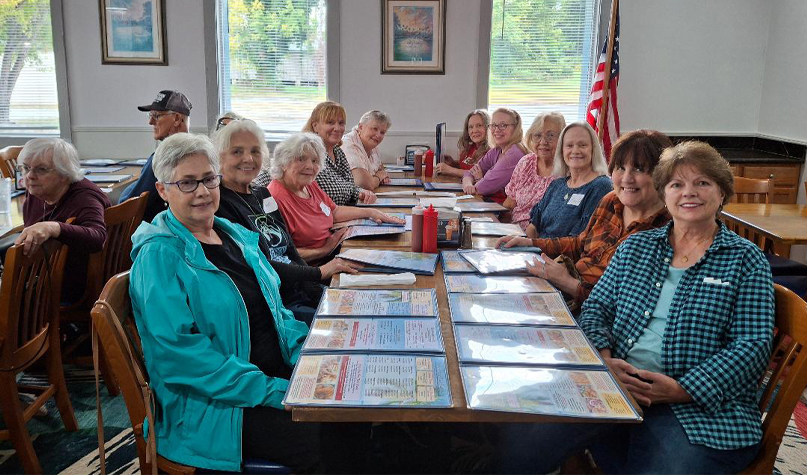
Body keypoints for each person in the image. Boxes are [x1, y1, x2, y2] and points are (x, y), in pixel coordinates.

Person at [495, 141, 774, 474]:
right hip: (614, 385)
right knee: (521, 440)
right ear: (665, 193)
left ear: (722, 193)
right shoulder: (637, 246)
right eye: (676, 184)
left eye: (702, 183)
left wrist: (682, 389)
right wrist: (604, 357)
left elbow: (752, 345)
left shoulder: (745, 259)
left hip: (699, 407)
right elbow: (597, 306)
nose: (689, 193)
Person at [129, 133, 320, 473]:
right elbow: (181, 359)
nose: (202, 191)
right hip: (212, 404)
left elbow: (277, 312)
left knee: (354, 412)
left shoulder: (232, 234)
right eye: (187, 183)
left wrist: (310, 354)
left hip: (267, 375)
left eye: (208, 179)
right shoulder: (159, 256)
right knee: (322, 436)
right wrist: (275, 390)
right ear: (163, 191)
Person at [498, 130, 672, 306]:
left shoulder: (664, 231)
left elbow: (624, 305)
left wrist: (568, 283)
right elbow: (580, 243)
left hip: (585, 305)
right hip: (564, 286)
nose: (627, 179)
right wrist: (530, 243)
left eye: (639, 169)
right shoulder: (611, 200)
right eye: (621, 168)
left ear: (661, 175)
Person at [213, 118, 359, 324]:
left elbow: (288, 247)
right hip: (274, 304)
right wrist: (319, 272)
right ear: (219, 157)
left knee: (356, 304)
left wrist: (315, 288)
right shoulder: (219, 203)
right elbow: (256, 265)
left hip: (297, 289)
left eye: (255, 151)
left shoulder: (261, 194)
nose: (248, 159)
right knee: (347, 322)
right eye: (237, 151)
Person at [268, 133, 404, 262]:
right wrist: (323, 250)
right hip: (313, 269)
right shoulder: (274, 198)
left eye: (315, 160)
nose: (309, 166)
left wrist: (371, 212)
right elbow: (279, 254)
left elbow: (334, 211)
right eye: (301, 159)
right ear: (283, 163)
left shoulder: (309, 184)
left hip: (335, 251)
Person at [15, 138, 110, 303]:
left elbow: (97, 237)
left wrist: (54, 228)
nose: (30, 176)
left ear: (64, 174)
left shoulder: (84, 197)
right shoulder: (36, 191)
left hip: (70, 286)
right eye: (25, 168)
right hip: (45, 275)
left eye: (41, 169)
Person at [525, 122, 611, 238]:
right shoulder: (557, 185)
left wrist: (536, 246)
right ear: (562, 151)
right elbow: (533, 226)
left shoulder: (601, 186)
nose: (575, 151)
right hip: (537, 252)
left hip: (565, 255)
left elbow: (579, 240)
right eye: (569, 146)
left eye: (582, 145)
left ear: (593, 149)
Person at [119, 90, 192, 223]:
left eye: (156, 116)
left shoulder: (164, 158)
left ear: (176, 119)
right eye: (150, 115)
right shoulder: (197, 152)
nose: (151, 122)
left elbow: (129, 203)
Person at [303, 101, 376, 205]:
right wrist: (358, 192)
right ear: (315, 126)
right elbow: (332, 195)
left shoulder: (338, 151)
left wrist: (358, 191)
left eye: (341, 123)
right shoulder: (309, 153)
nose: (337, 128)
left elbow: (349, 185)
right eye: (330, 122)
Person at [503, 112, 565, 229]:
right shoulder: (526, 162)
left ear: (562, 138)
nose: (543, 142)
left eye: (550, 136)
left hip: (541, 238)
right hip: (514, 231)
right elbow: (510, 203)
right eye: (537, 135)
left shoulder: (567, 170)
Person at [461, 108, 528, 203]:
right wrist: (468, 184)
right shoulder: (497, 150)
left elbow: (481, 188)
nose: (496, 130)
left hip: (510, 213)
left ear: (515, 128)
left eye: (503, 125)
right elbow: (469, 173)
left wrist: (476, 182)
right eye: (493, 125)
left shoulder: (513, 155)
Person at [341, 110, 392, 191]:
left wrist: (380, 175)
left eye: (382, 132)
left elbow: (380, 168)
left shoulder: (371, 144)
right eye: (374, 129)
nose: (378, 135)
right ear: (360, 127)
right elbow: (365, 184)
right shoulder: (348, 144)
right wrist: (379, 177)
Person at [435, 109, 492, 178]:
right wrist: (453, 163)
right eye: (471, 127)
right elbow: (468, 166)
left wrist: (450, 170)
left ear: (488, 127)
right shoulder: (472, 147)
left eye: (479, 125)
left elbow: (475, 174)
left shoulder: (491, 152)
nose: (474, 130)